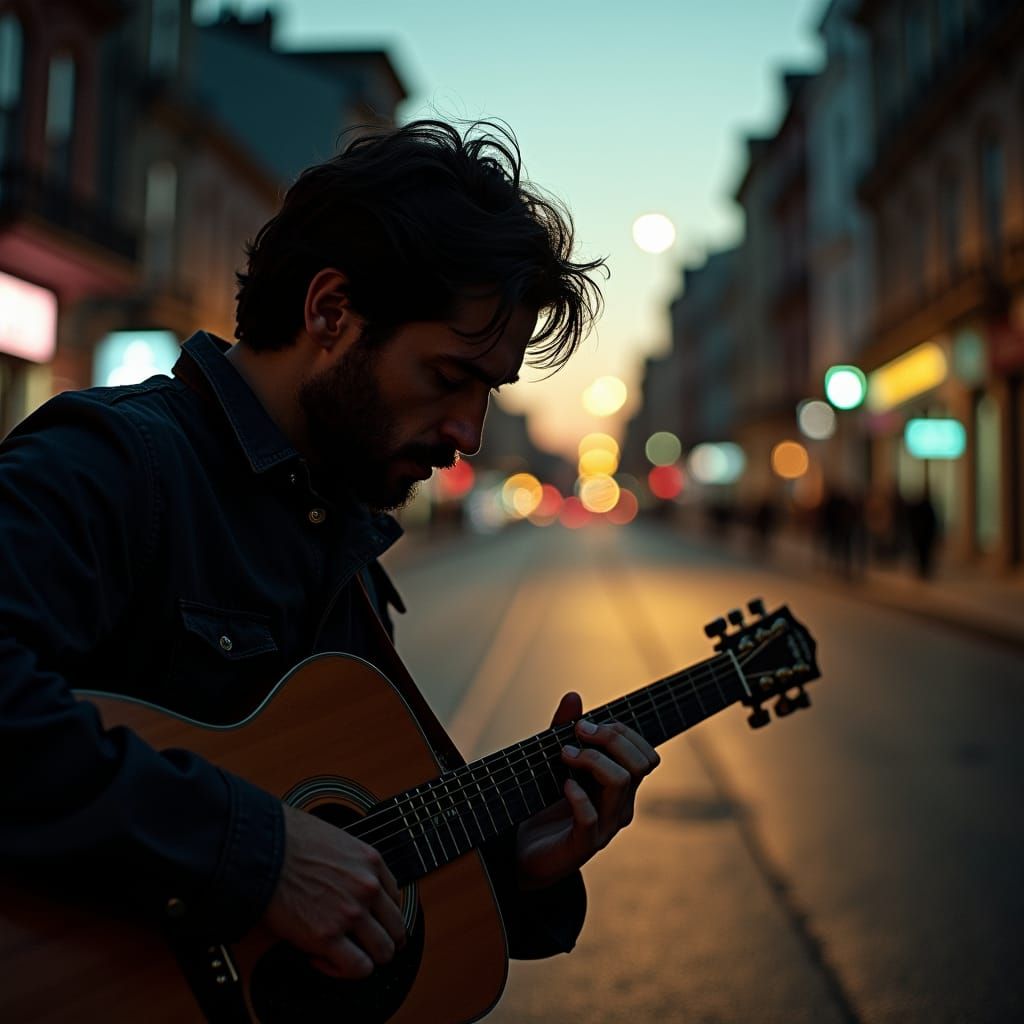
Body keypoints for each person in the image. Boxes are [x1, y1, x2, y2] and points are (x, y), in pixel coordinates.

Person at [0, 121, 660, 989]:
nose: (468, 432)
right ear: (330, 312)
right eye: (448, 377)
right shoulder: (114, 465)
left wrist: (519, 863)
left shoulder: (340, 540)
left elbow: (357, 864)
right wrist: (258, 855)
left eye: (487, 393)